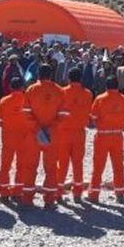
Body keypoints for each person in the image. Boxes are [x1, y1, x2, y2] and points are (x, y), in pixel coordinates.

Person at [22, 65, 64, 206]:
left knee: (30, 166)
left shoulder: (31, 90)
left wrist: (38, 129)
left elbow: (26, 113)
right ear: (51, 75)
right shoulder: (59, 91)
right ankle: (49, 199)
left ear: (38, 74)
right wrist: (49, 129)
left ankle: (27, 199)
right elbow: (63, 115)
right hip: (52, 136)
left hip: (34, 135)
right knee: (51, 167)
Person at [88, 75, 124, 203]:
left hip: (103, 136)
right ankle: (120, 193)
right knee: (118, 165)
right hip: (117, 136)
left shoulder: (100, 99)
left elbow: (93, 117)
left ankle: (94, 194)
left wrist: (100, 126)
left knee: (98, 166)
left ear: (106, 86)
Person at [55, 67, 94, 202]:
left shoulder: (62, 92)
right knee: (78, 163)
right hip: (79, 133)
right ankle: (77, 193)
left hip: (63, 133)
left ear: (69, 78)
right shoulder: (87, 93)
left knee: (62, 164)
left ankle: (58, 192)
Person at [0, 77, 36, 198]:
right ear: (23, 87)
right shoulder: (28, 101)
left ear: (10, 87)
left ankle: (3, 190)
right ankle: (18, 190)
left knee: (5, 164)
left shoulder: (4, 101)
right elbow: (32, 120)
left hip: (8, 136)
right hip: (24, 137)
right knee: (22, 164)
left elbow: (0, 120)